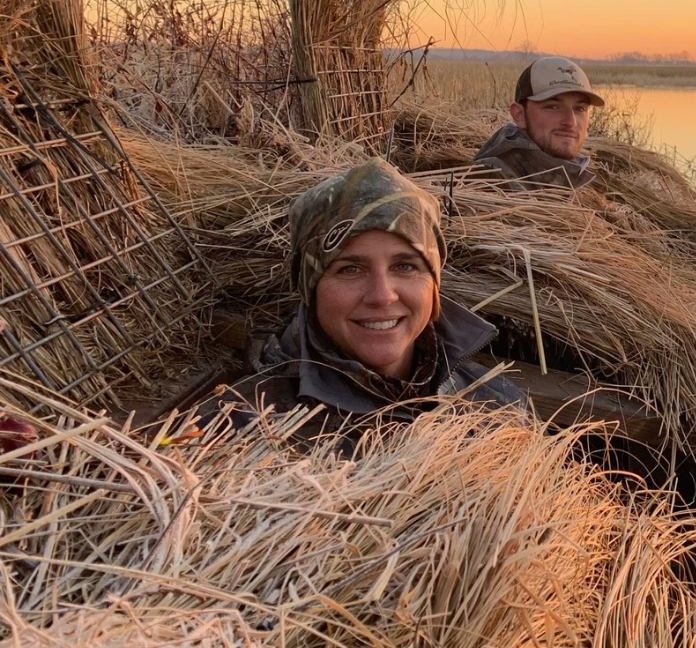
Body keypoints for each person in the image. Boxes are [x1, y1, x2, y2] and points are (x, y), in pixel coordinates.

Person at [194, 158, 524, 442]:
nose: (382, 295)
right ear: (311, 287)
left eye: (405, 266)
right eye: (350, 269)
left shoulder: (496, 406)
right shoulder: (239, 431)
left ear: (434, 282)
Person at [472, 56, 603, 191]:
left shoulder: (576, 177)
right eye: (553, 107)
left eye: (579, 109)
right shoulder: (488, 181)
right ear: (519, 115)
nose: (570, 122)